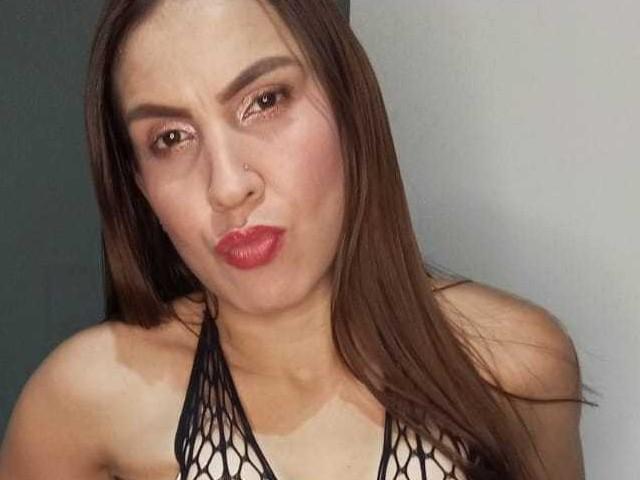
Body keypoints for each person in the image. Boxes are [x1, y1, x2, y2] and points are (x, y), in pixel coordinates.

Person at [0, 1, 590, 479]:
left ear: (349, 102)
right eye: (171, 138)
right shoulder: (83, 402)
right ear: (138, 184)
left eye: (264, 101)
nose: (228, 186)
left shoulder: (517, 365)